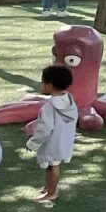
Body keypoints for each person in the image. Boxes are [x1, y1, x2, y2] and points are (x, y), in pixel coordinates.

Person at [27, 64, 78, 202]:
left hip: (53, 142)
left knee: (52, 166)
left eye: (43, 82)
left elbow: (45, 129)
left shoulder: (49, 106)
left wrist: (33, 143)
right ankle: (48, 187)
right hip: (64, 140)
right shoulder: (70, 101)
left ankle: (51, 193)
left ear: (49, 85)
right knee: (51, 165)